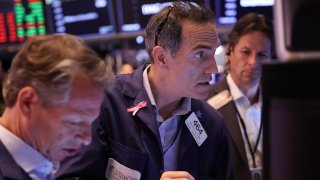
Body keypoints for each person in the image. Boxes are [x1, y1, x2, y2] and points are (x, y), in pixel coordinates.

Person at [57, 1, 234, 180]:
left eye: (213, 54)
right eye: (200, 54)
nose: (213, 68)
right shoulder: (105, 102)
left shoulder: (213, 124)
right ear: (162, 57)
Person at [0, 34, 113, 180]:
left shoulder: (40, 164)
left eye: (90, 123)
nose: (87, 139)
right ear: (28, 102)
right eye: (75, 122)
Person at [206, 13, 274, 180]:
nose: (253, 62)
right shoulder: (206, 103)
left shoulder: (279, 103)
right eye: (246, 52)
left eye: (262, 55)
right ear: (230, 51)